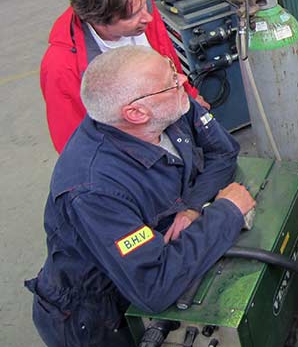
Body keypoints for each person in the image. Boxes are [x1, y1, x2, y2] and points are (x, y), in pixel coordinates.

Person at [26, 46, 255, 347]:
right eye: (171, 82)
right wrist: (227, 212)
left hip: (152, 248)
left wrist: (192, 208)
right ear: (135, 113)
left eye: (173, 70)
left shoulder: (168, 109)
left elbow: (223, 152)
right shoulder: (93, 190)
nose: (182, 79)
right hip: (99, 318)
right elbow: (153, 285)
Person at [40, 0, 209, 153]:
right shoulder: (61, 68)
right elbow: (73, 144)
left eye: (144, 4)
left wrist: (189, 95)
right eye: (133, 15)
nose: (148, 18)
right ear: (100, 22)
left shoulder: (140, 12)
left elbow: (168, 63)